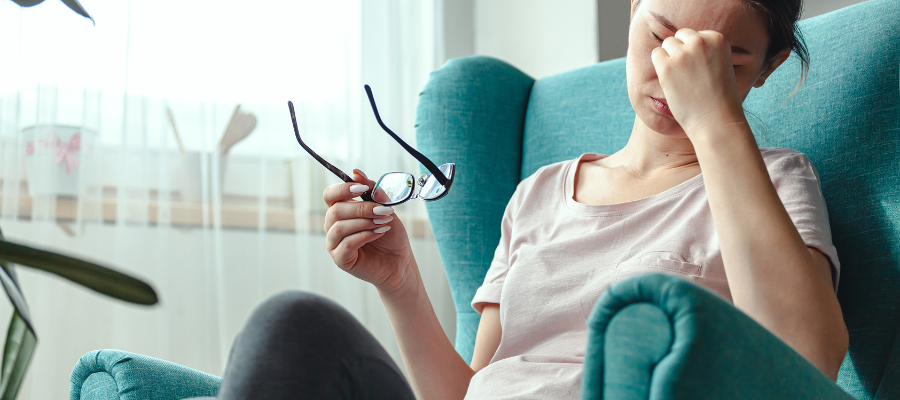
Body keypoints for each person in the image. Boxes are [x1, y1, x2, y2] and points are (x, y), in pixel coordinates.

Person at [209, 0, 848, 398]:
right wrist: (400, 281)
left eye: (722, 63)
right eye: (661, 37)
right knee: (289, 327)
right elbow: (471, 392)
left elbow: (808, 358)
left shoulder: (775, 184)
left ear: (768, 66)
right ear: (631, 11)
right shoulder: (540, 193)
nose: (672, 74)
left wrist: (714, 122)